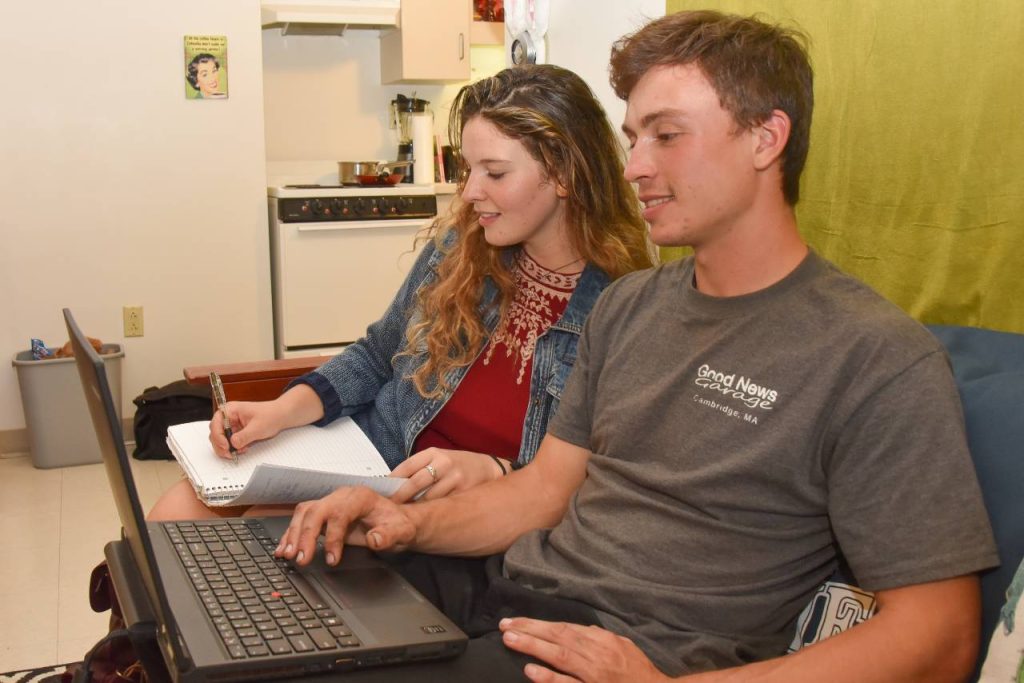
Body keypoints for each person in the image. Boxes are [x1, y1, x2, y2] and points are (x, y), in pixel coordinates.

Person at [272, 10, 999, 682]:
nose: (633, 168)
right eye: (632, 139)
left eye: (667, 135)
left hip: (630, 646)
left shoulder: (874, 355)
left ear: (765, 139)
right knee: (277, 597)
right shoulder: (629, 307)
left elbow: (940, 635)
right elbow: (542, 491)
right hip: (509, 586)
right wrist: (403, 520)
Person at [147, 64, 654, 520]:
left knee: (259, 545)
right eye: (467, 169)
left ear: (564, 173)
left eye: (495, 172)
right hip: (373, 465)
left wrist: (500, 470)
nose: (471, 191)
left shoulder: (623, 307)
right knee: (176, 513)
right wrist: (280, 410)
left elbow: (600, 477)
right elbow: (376, 356)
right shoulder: (461, 250)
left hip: (463, 520)